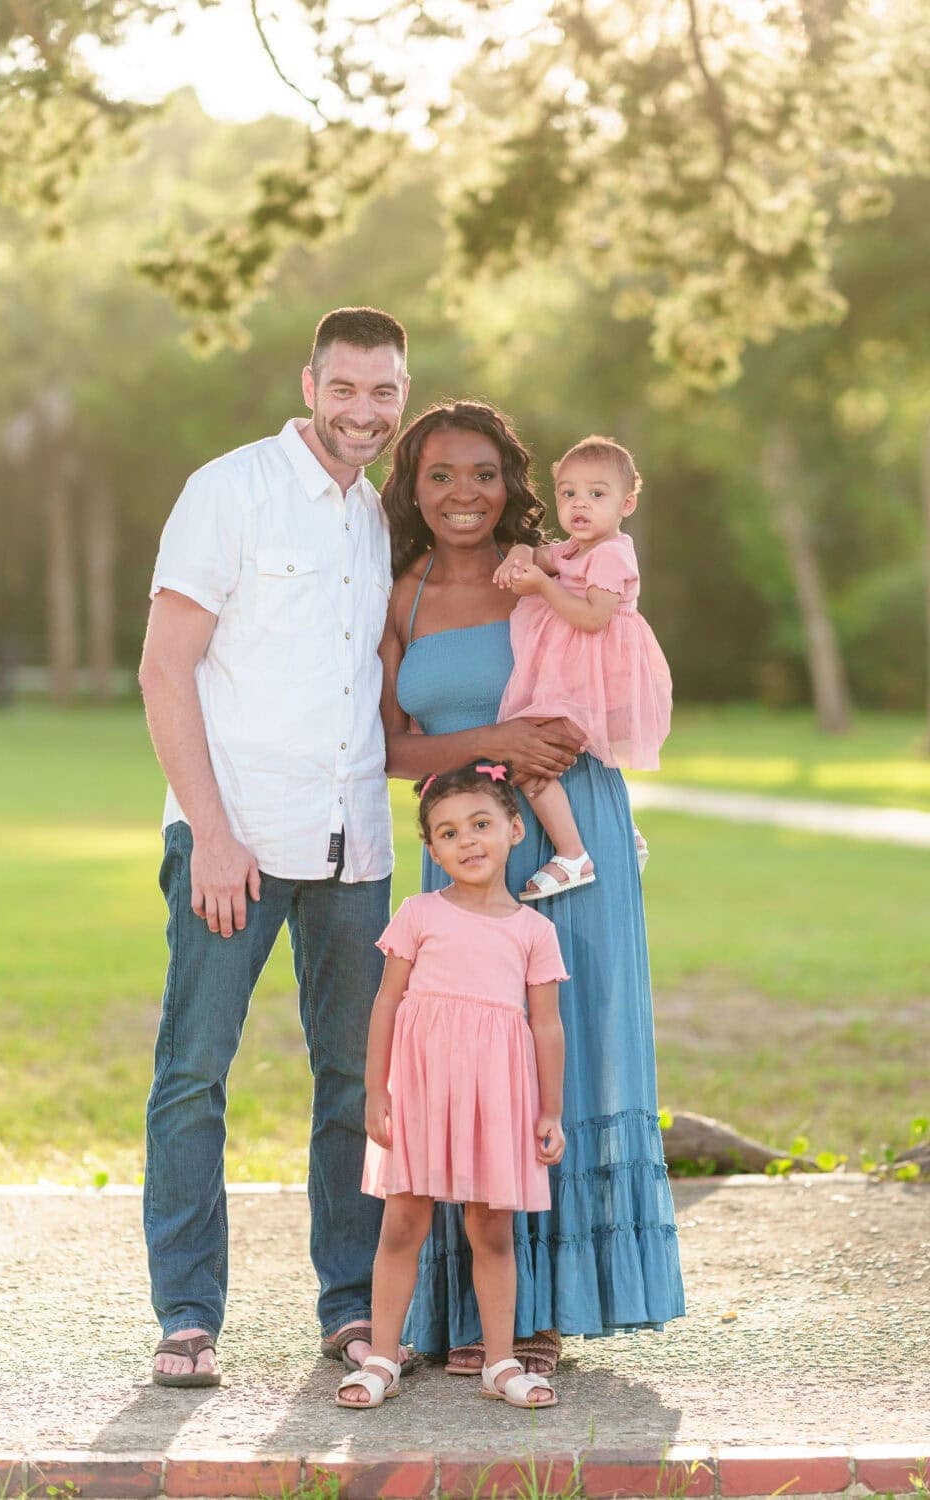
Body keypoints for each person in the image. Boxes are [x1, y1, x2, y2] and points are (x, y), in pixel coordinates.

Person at [377, 401, 685, 1377]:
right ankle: (466, 1309)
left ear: (512, 483)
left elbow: (619, 664)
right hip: (459, 849)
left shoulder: (551, 570)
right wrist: (488, 744)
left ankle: (543, 1307)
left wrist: (553, 762)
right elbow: (389, 746)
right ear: (413, 489)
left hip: (566, 835)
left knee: (563, 1048)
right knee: (464, 1061)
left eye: (482, 473)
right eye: (439, 475)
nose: (462, 493)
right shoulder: (401, 595)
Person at [138, 306, 412, 1387]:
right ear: (309, 384)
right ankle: (188, 1316)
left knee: (353, 1078)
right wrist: (210, 831)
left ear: (401, 393)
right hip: (234, 841)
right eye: (343, 388)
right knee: (194, 1075)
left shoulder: (380, 519)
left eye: (382, 391)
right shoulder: (230, 490)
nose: (362, 411)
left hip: (355, 849)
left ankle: (349, 1306)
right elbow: (166, 669)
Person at [336, 761, 566, 1411]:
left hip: (496, 1100)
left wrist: (552, 1111)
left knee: (492, 1229)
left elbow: (546, 1028)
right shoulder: (417, 914)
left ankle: (499, 1362)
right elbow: (386, 1004)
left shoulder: (533, 931)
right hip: (421, 1093)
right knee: (403, 1222)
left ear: (514, 830)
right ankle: (382, 1356)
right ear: (430, 848)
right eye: (447, 832)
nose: (467, 841)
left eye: (481, 824)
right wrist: (377, 1091)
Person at [494, 435, 672, 900]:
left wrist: (543, 589)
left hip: (599, 682)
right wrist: (519, 555)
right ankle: (625, 834)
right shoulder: (573, 549)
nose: (580, 504)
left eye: (597, 494)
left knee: (529, 756)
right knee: (531, 750)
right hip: (576, 678)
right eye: (568, 493)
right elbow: (536, 554)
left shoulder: (612, 555)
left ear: (626, 503)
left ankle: (572, 855)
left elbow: (593, 619)